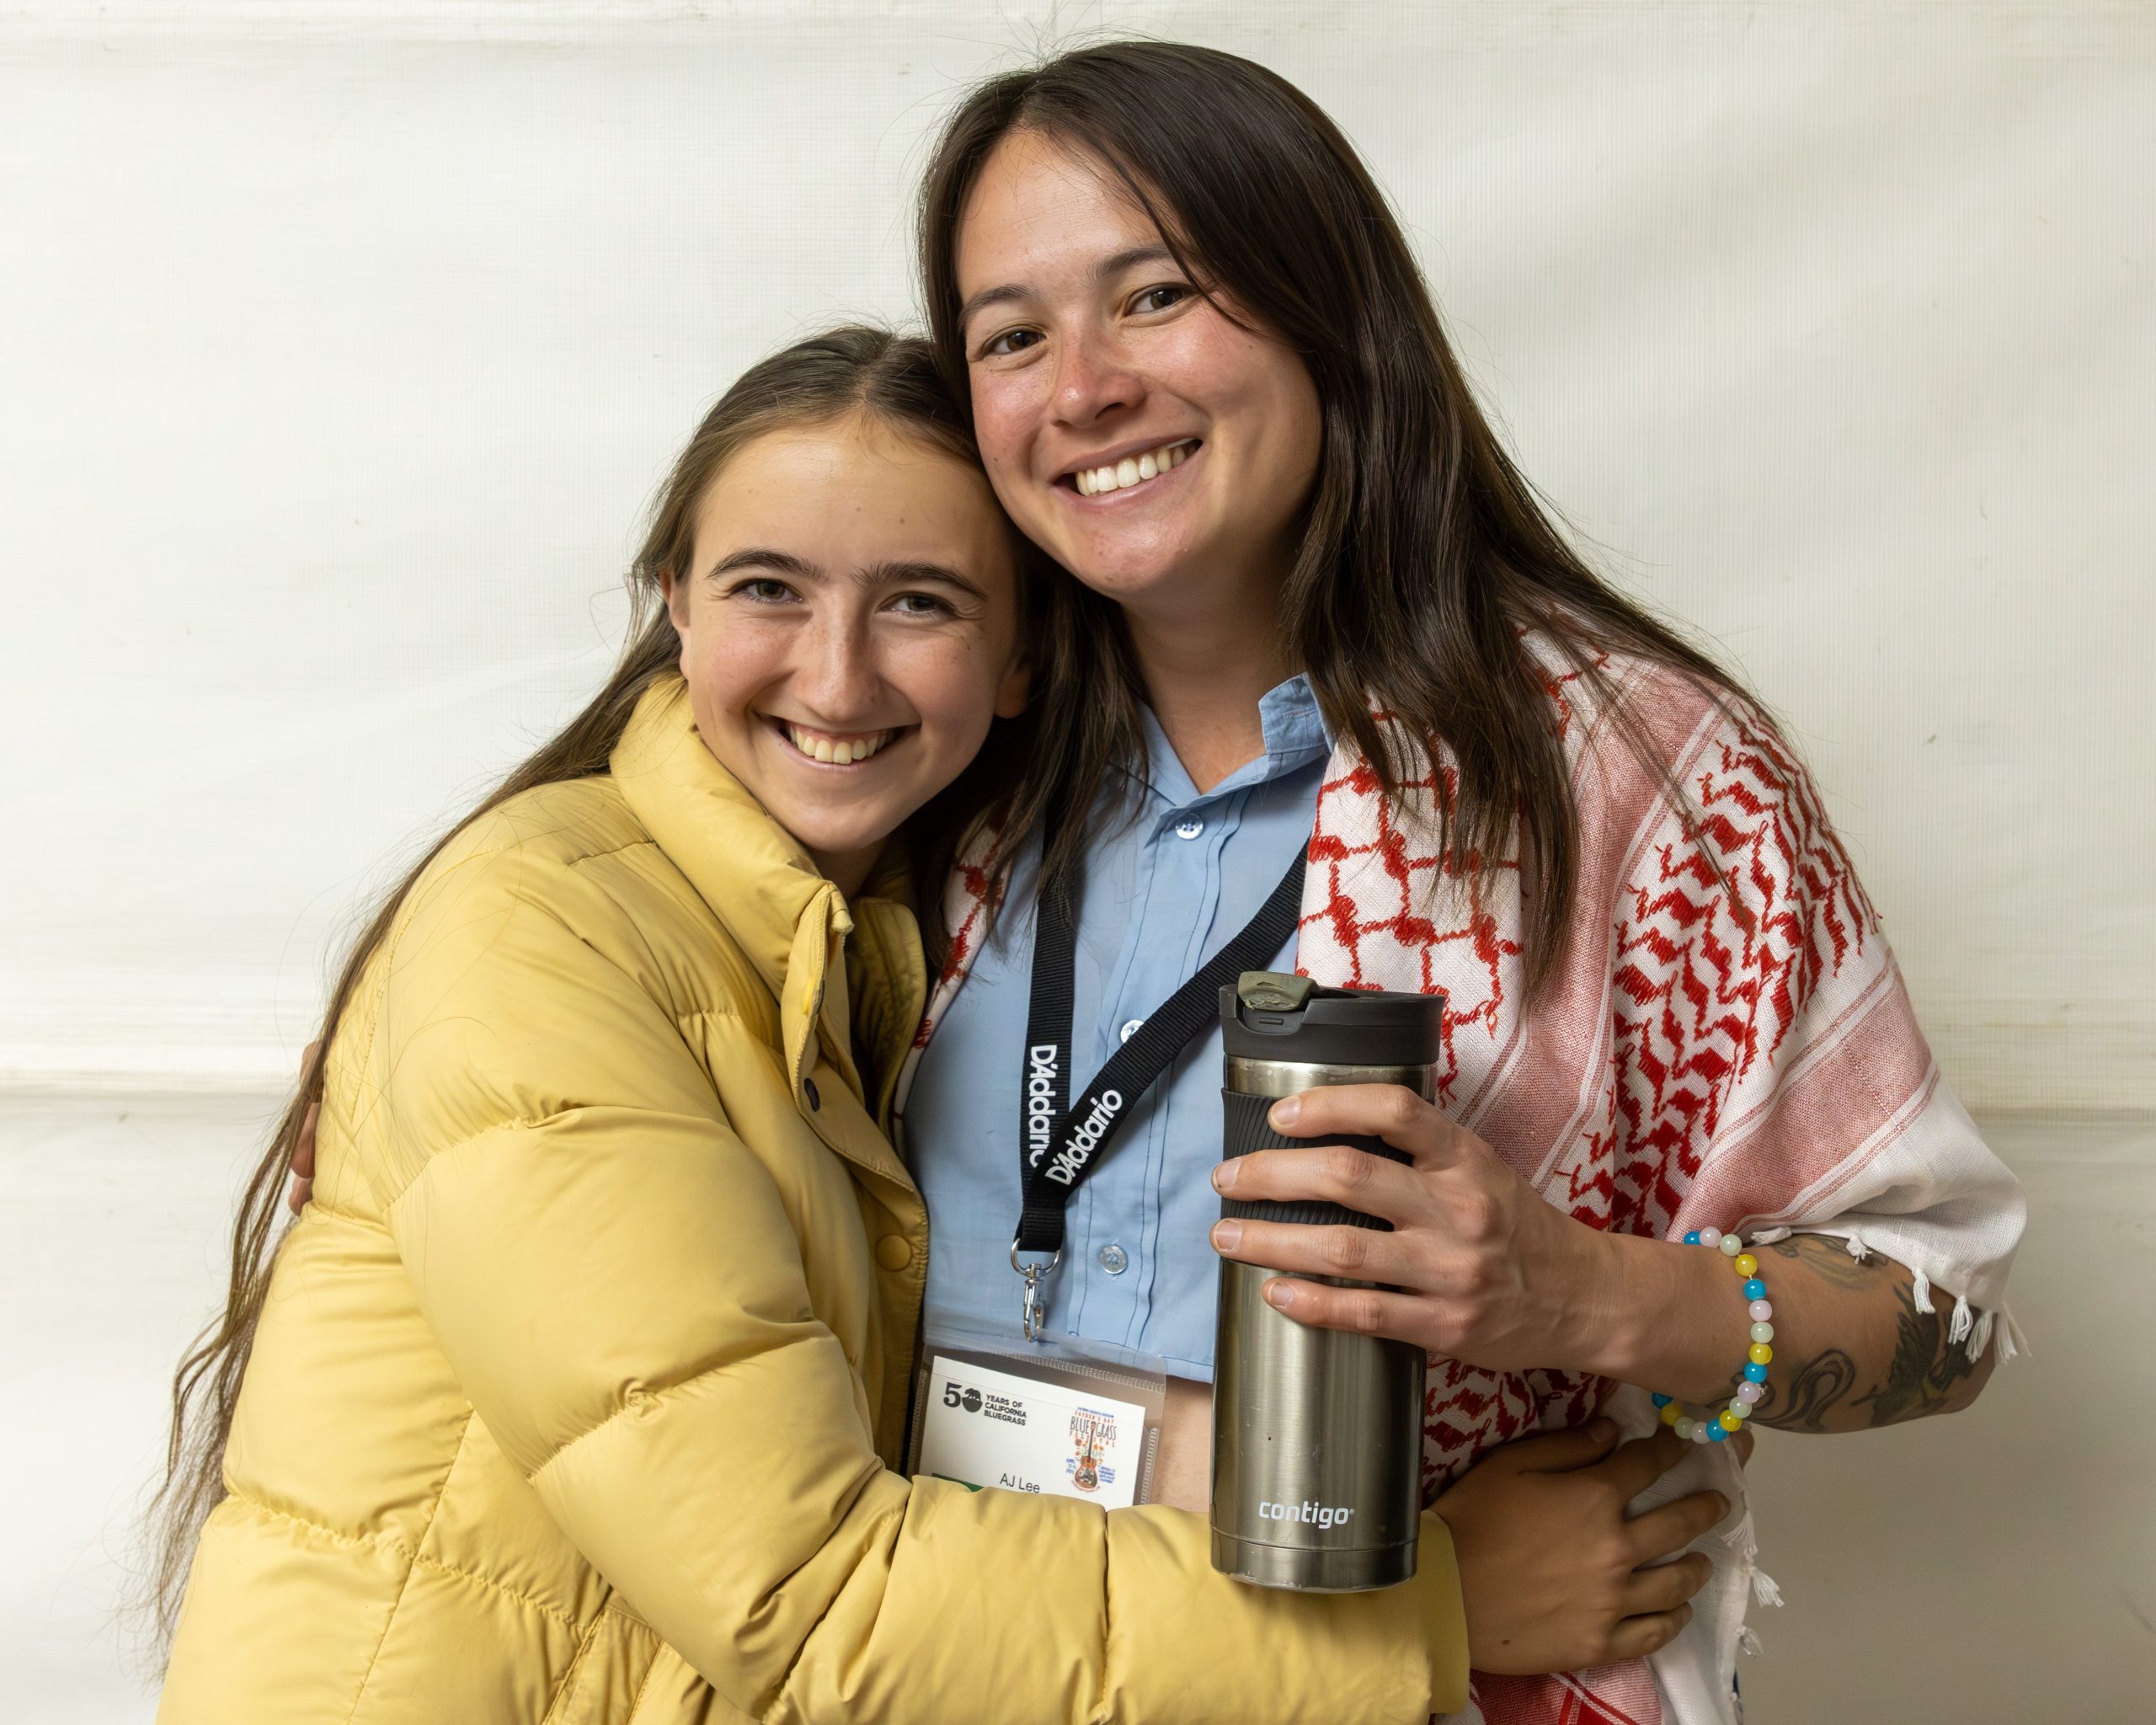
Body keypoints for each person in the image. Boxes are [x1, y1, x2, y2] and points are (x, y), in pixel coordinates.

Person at [152, 327, 1732, 1724]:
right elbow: (810, 1597)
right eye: (767, 589)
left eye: (916, 601)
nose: (836, 676)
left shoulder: (885, 938)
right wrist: (1441, 1614)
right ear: (671, 609)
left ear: (1027, 655)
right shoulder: (539, 934)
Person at [898, 41, 2026, 1725]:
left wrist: (1578, 1291)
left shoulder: (1635, 776)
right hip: (947, 1666)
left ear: (1325, 310)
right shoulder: (927, 760)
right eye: (1010, 334)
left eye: (1153, 295)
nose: (1079, 387)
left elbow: (1944, 1307)